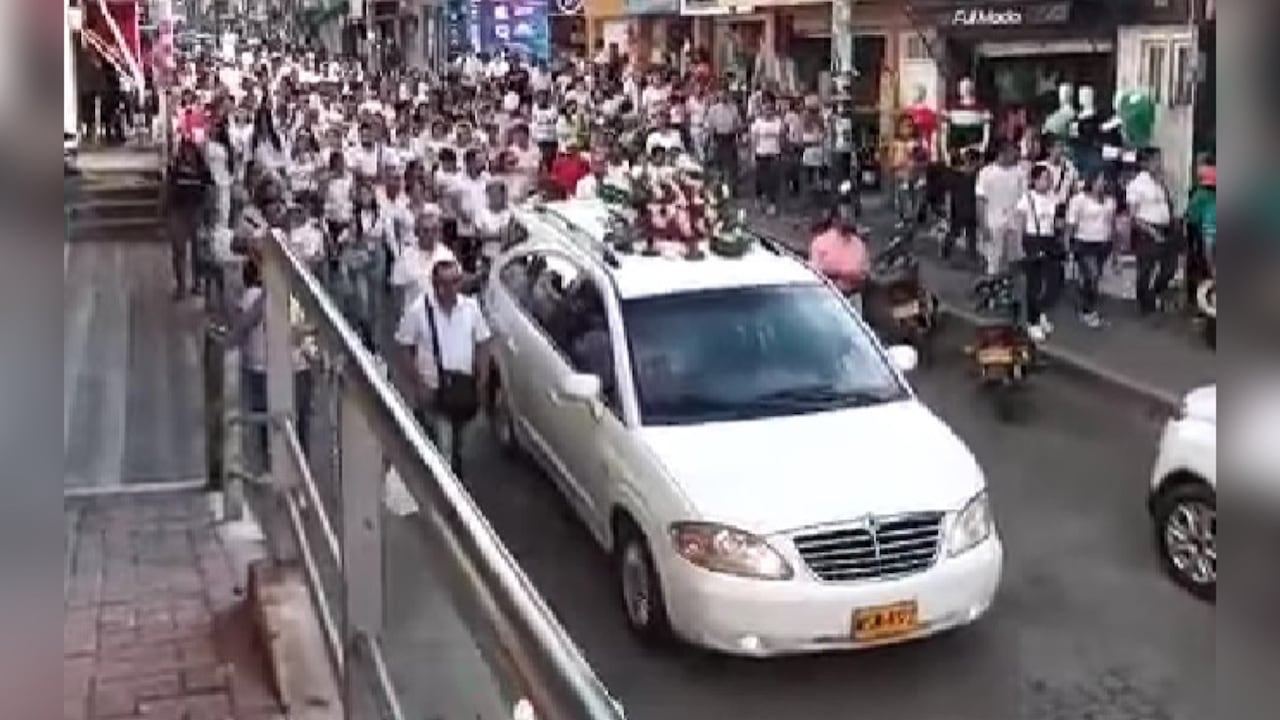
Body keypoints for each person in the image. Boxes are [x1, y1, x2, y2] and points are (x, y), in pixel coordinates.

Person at [395, 258, 492, 475]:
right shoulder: (418, 311)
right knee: (444, 448)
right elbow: (404, 347)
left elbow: (483, 342)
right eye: (445, 283)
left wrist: (482, 379)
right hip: (435, 392)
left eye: (455, 282)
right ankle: (449, 497)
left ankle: (456, 479)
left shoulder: (471, 308)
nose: (450, 289)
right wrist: (418, 383)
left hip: (464, 389)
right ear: (435, 284)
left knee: (462, 446)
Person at [1124, 147, 1177, 316]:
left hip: (1164, 228)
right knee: (1146, 269)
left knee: (1169, 267)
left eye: (1159, 160)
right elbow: (1133, 215)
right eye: (1155, 160)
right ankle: (1145, 303)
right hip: (1147, 230)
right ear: (1144, 163)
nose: (1159, 164)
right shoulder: (1137, 185)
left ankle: (1154, 294)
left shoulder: (1159, 182)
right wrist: (1151, 232)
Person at [1014, 164, 1064, 333]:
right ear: (1034, 180)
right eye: (1044, 178)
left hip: (1049, 240)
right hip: (1032, 240)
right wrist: (1019, 246)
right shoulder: (1027, 198)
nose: (1047, 181)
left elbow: (1057, 220)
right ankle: (1032, 321)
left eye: (1049, 178)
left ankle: (1041, 313)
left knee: (1051, 281)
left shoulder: (1054, 198)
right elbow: (1020, 223)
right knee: (1034, 283)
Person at [1066, 171, 1118, 328]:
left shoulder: (1110, 201)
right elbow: (1071, 224)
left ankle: (1086, 300)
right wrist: (1068, 245)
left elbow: (1112, 225)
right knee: (1093, 275)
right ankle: (1087, 311)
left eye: (1105, 180)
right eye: (1100, 179)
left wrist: (1115, 250)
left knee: (1093, 277)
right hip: (1084, 243)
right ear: (1092, 181)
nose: (1103, 183)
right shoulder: (1078, 200)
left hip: (1103, 244)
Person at [165, 137, 214, 299]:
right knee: (178, 250)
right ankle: (181, 286)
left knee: (198, 250)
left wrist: (208, 211)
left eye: (189, 150)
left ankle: (197, 283)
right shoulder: (174, 168)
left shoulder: (202, 169)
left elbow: (209, 189)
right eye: (184, 150)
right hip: (178, 211)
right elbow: (168, 187)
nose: (186, 154)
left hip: (196, 211)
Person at [809, 182, 869, 304]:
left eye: (852, 214)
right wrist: (846, 274)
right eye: (845, 214)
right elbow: (817, 273)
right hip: (827, 299)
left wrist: (836, 273)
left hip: (853, 299)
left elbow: (863, 274)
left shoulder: (859, 245)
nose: (849, 218)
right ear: (835, 218)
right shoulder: (820, 243)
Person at [975, 141, 1026, 276]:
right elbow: (980, 200)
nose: (1016, 156)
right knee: (993, 260)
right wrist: (982, 225)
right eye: (1012, 153)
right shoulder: (986, 173)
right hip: (993, 220)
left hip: (1014, 222)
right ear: (1002, 153)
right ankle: (992, 287)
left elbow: (1024, 199)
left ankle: (1008, 288)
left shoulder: (1020, 173)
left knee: (1012, 260)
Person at [750, 95, 784, 215]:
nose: (768, 110)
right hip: (761, 154)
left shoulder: (778, 122)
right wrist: (753, 155)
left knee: (773, 180)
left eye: (770, 108)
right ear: (762, 108)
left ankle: (772, 203)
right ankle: (759, 198)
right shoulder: (758, 122)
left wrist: (782, 152)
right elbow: (754, 140)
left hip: (774, 153)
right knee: (760, 179)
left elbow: (781, 138)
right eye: (766, 107)